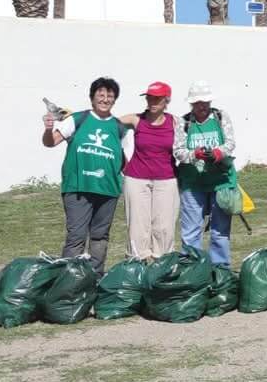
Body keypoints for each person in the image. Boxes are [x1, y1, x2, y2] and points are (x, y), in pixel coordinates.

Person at [42, 76, 131, 265]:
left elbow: (125, 161)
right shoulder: (78, 119)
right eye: (101, 95)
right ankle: (69, 281)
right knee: (76, 237)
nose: (105, 99)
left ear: (115, 99)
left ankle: (94, 279)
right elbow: (51, 142)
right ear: (92, 97)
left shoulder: (119, 128)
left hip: (108, 190)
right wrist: (49, 130)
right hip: (77, 187)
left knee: (100, 237)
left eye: (110, 95)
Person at [172, 80, 237, 266]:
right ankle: (192, 270)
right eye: (197, 102)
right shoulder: (183, 122)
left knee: (220, 231)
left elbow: (231, 143)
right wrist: (195, 154)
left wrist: (217, 152)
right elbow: (178, 151)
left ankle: (221, 270)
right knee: (191, 231)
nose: (201, 106)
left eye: (205, 102)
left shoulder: (221, 117)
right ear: (191, 103)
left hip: (221, 182)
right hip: (193, 183)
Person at [119, 81, 181, 260]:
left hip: (167, 179)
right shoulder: (135, 119)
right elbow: (105, 123)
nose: (152, 101)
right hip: (136, 179)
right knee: (138, 227)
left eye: (157, 98)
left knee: (164, 228)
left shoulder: (176, 122)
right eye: (149, 98)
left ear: (166, 101)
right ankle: (136, 267)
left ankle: (162, 266)